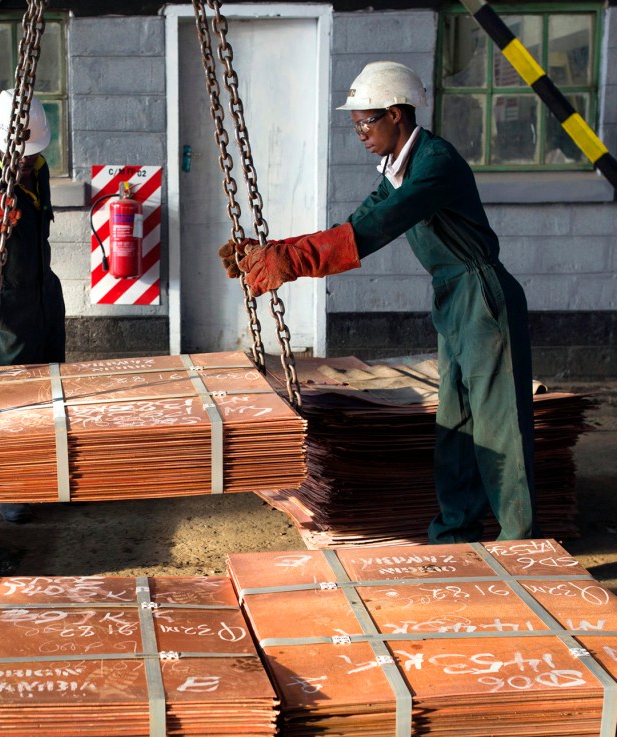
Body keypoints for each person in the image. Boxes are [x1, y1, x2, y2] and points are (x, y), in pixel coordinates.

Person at [223, 61, 537, 543]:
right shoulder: (398, 172)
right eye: (355, 126)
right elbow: (353, 225)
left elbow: (380, 226)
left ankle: (521, 545)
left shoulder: (435, 163)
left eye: (365, 123)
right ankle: (457, 532)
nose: (361, 135)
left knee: (500, 427)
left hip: (482, 295)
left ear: (395, 114)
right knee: (456, 424)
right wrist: (274, 251)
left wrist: (294, 260)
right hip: (453, 298)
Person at [0, 89, 66, 524]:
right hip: (10, 305)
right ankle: (12, 486)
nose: (24, 161)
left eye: (31, 153)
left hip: (45, 297)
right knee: (14, 398)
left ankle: (49, 476)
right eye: (18, 156)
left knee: (51, 391)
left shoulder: (39, 170)